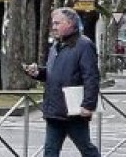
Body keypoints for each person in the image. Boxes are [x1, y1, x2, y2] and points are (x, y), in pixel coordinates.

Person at [24, 8, 101, 157]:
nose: (54, 27)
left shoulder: (84, 45)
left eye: (57, 23)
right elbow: (54, 74)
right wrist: (38, 73)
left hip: (73, 111)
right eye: (53, 23)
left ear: (70, 23)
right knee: (50, 151)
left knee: (86, 149)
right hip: (54, 111)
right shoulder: (56, 46)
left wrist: (88, 105)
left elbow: (91, 76)